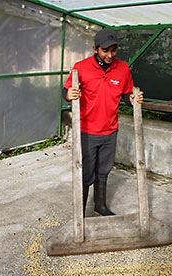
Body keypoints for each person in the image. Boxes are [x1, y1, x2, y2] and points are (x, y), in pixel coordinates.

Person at [65, 28, 144, 216]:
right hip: (87, 130)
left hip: (110, 130)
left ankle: (99, 206)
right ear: (95, 48)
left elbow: (126, 94)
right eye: (105, 50)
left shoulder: (123, 68)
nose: (110, 55)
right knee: (85, 172)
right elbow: (67, 90)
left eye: (113, 50)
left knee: (104, 171)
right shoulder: (81, 67)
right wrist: (68, 95)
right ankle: (80, 213)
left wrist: (131, 99)